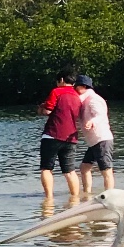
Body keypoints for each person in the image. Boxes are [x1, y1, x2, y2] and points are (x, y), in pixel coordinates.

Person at [38, 63, 85, 207]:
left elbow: (48, 111)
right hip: (71, 137)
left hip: (52, 135)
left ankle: (49, 200)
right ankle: (75, 200)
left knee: (47, 168)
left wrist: (40, 108)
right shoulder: (77, 96)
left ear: (62, 80)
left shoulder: (57, 92)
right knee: (70, 171)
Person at [76, 73, 115, 197]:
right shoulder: (85, 100)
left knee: (106, 170)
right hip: (93, 141)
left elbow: (100, 115)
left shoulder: (94, 99)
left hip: (101, 139)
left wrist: (92, 121)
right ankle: (87, 194)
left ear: (83, 86)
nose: (74, 90)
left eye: (76, 87)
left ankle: (109, 196)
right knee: (84, 167)